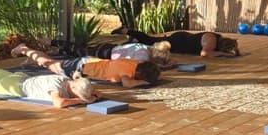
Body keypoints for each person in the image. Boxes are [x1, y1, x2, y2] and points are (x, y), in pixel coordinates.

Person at [0, 47, 96, 108]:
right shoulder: (56, 87)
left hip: (20, 77)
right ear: (74, 88)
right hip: (16, 87)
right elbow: (59, 103)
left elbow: (94, 93)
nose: (77, 96)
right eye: (77, 94)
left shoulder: (69, 80)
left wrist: (90, 96)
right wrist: (81, 100)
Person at [10, 44, 160, 88]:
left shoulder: (135, 63)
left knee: (48, 61)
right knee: (46, 63)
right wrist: (145, 82)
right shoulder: (126, 71)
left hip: (89, 62)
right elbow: (127, 84)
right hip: (80, 67)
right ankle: (24, 49)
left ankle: (30, 54)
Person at [125, 29, 240, 57]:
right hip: (179, 41)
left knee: (152, 42)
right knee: (152, 42)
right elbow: (204, 53)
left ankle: (134, 38)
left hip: (182, 40)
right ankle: (128, 31)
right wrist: (225, 54)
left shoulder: (216, 39)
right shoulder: (212, 41)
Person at [85, 41, 174, 67]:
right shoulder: (144, 56)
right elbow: (139, 68)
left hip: (110, 47)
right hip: (106, 54)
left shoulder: (147, 47)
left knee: (86, 50)